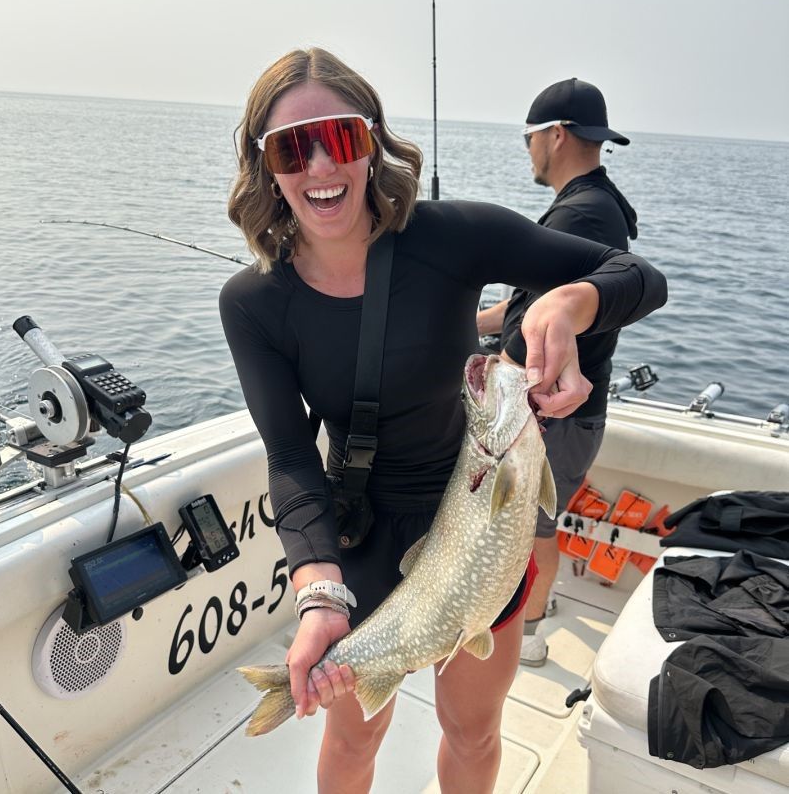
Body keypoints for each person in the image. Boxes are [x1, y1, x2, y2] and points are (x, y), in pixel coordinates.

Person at [220, 49, 666, 794]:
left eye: (342, 136)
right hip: (362, 531)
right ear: (266, 165)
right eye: (293, 146)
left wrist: (567, 300)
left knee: (472, 729)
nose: (320, 164)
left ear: (372, 141)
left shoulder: (452, 236)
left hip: (483, 520)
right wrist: (318, 588)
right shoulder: (254, 302)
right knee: (353, 737)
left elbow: (640, 279)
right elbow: (293, 456)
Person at [476, 77, 639, 668]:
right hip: (552, 413)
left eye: (529, 139)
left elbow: (548, 323)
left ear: (555, 135)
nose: (529, 151)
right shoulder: (588, 206)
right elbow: (527, 306)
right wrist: (468, 321)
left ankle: (530, 630)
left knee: (535, 528)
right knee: (529, 523)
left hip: (554, 416)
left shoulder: (585, 216)